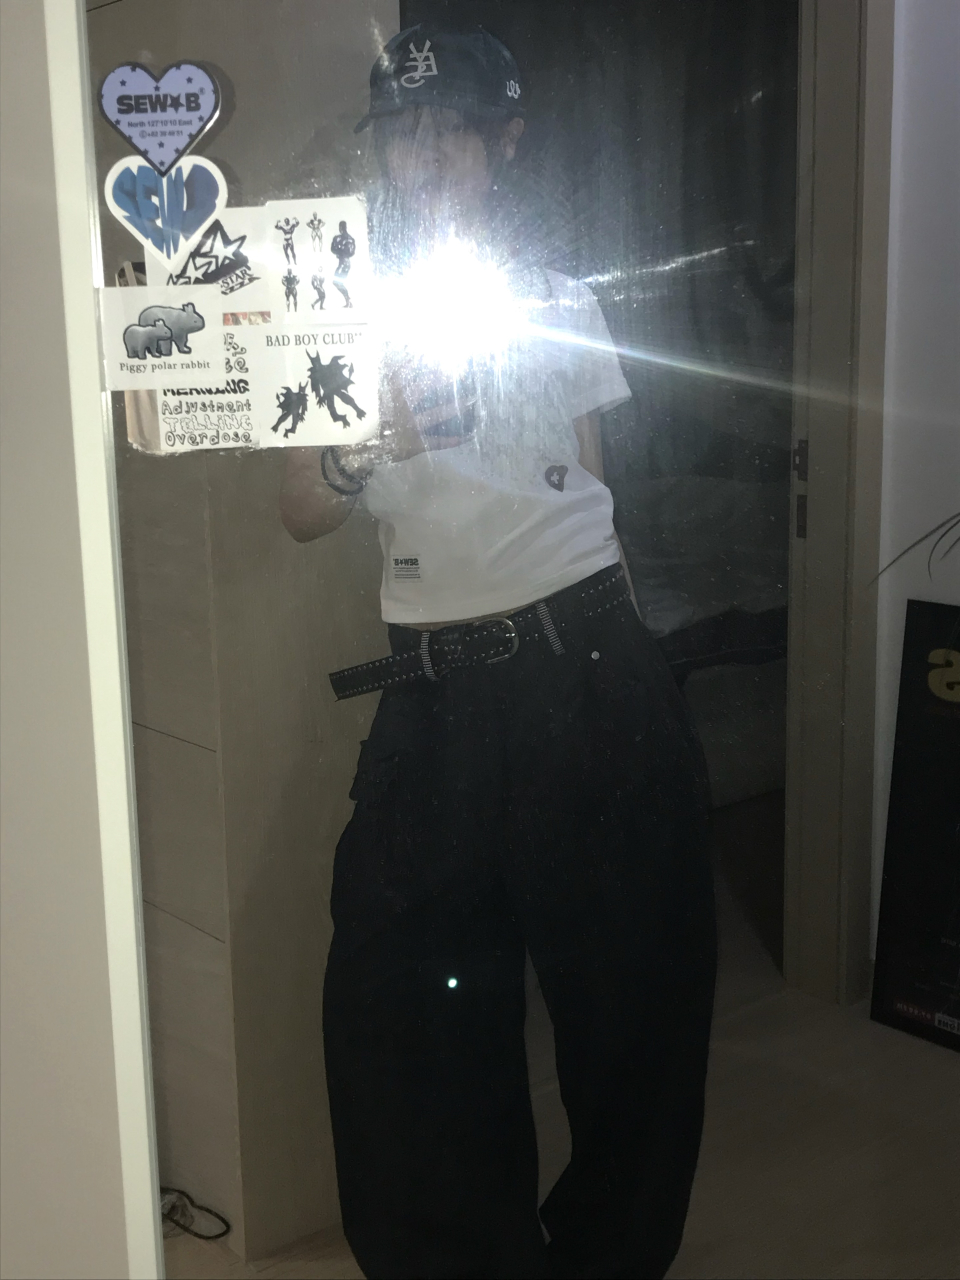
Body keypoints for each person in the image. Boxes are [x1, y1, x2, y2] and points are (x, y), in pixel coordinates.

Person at [280, 23, 716, 1280]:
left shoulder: (561, 296)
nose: (425, 159)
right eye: (405, 134)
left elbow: (591, 489)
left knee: (634, 1006)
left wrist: (628, 670)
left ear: (503, 143)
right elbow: (299, 505)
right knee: (401, 1022)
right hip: (433, 697)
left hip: (591, 666)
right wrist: (375, 435)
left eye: (454, 134)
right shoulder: (337, 313)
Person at [330, 219, 355, 307]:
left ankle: (348, 300)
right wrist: (343, 252)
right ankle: (348, 301)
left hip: (343, 263)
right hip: (347, 262)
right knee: (338, 282)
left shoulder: (338, 238)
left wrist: (340, 251)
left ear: (340, 227)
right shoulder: (351, 238)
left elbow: (333, 249)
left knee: (336, 282)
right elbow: (352, 252)